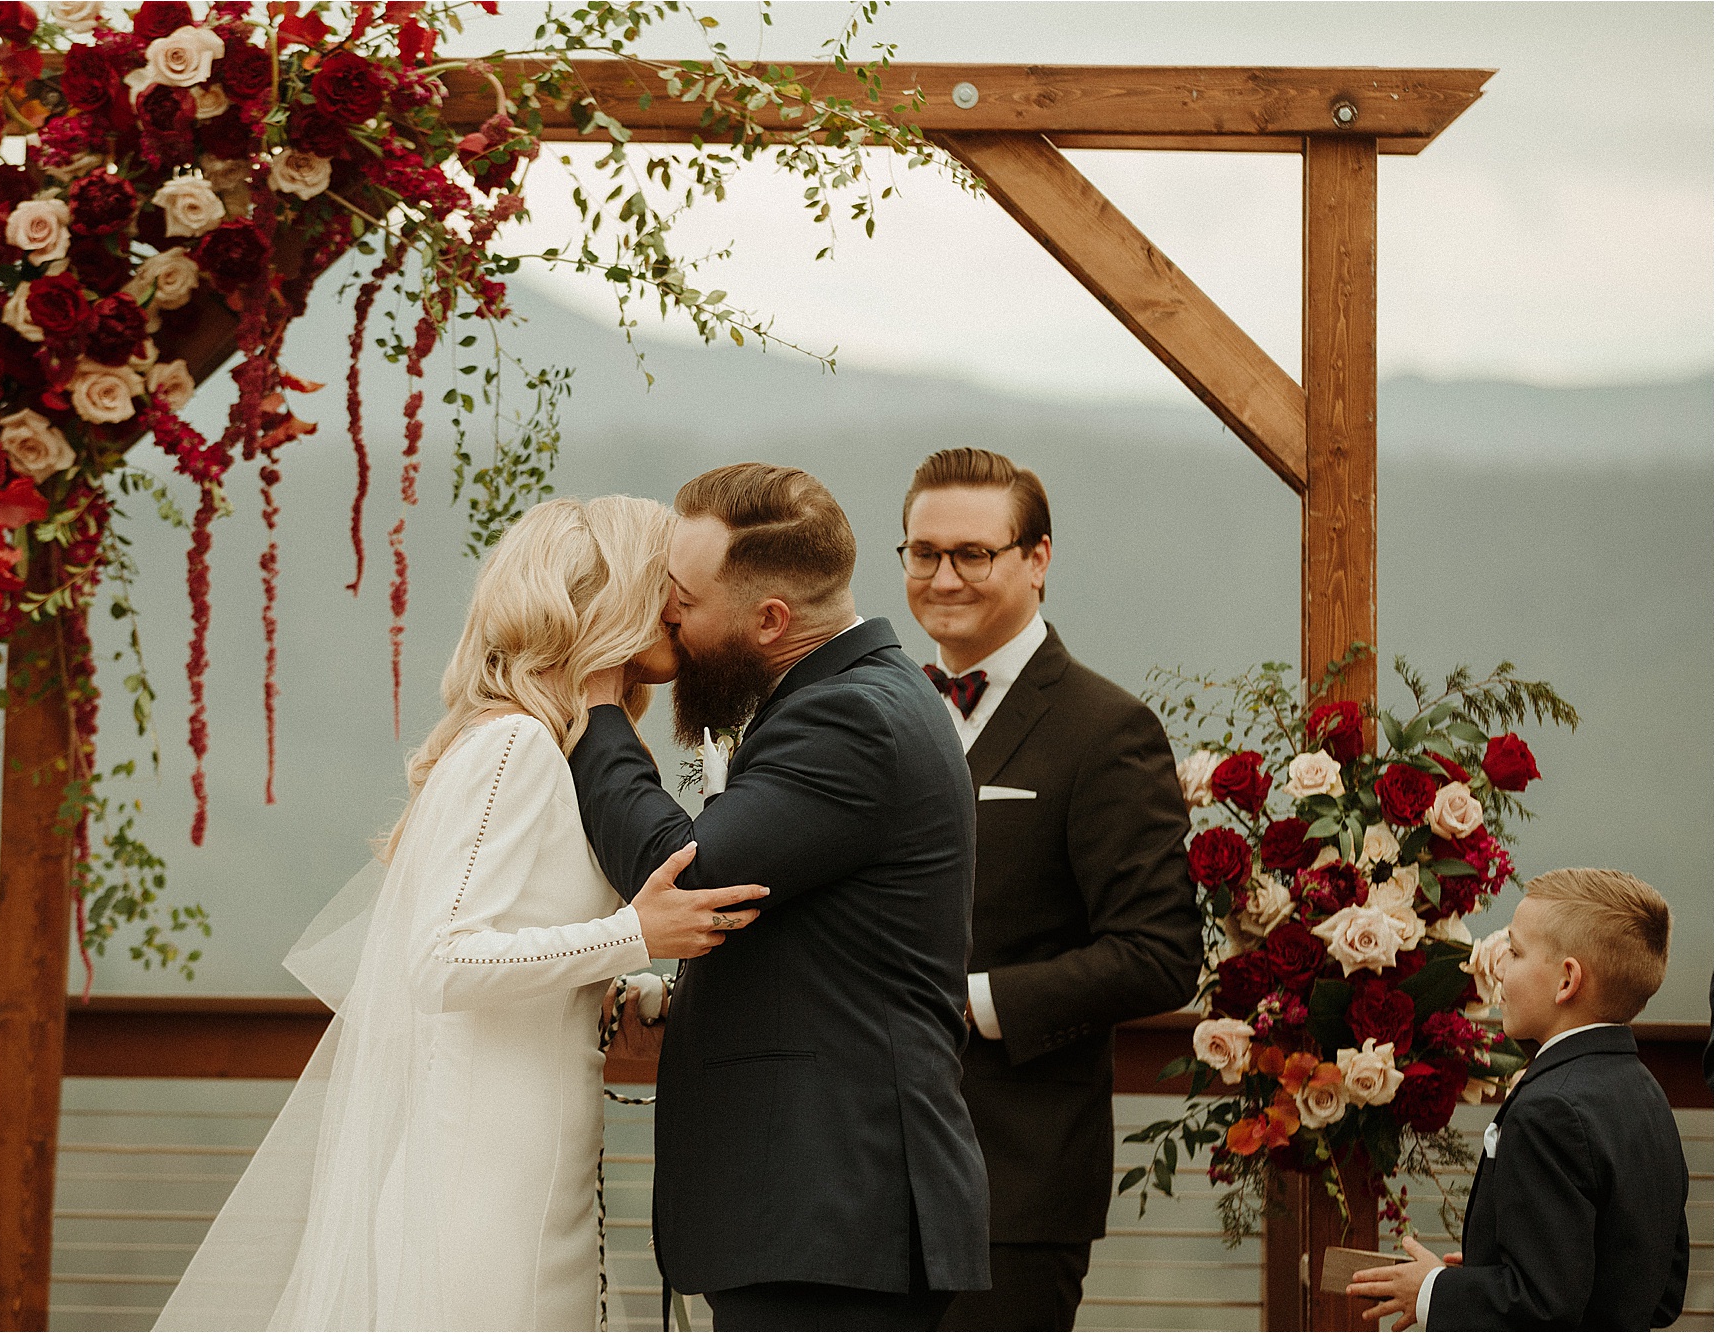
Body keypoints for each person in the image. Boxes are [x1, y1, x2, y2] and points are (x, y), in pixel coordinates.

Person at [155, 497, 768, 1332]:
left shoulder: (545, 747)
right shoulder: (514, 748)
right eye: (665, 583)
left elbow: (515, 940)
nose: (679, 605)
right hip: (481, 1182)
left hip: (531, 1169)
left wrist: (623, 987)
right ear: (611, 599)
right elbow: (443, 960)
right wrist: (634, 934)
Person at [568, 463, 991, 1331]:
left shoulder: (854, 718)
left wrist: (598, 708)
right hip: (827, 1218)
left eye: (681, 597)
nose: (667, 617)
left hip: (835, 1214)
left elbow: (681, 873)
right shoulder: (857, 695)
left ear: (771, 619)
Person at [899, 448, 1202, 1331]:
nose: (943, 575)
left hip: (1015, 1188)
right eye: (923, 552)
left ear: (1038, 558)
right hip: (863, 1180)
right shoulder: (886, 713)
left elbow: (1159, 953)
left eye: (971, 553)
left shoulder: (1105, 729)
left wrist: (970, 1002)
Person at [1348, 868, 1691, 1331]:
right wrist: (1490, 1269)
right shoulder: (1646, 1092)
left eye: (1515, 950)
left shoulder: (1549, 1111)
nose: (1500, 966)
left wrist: (1431, 1289)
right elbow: (1662, 1291)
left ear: (1567, 981)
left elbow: (1541, 1306)